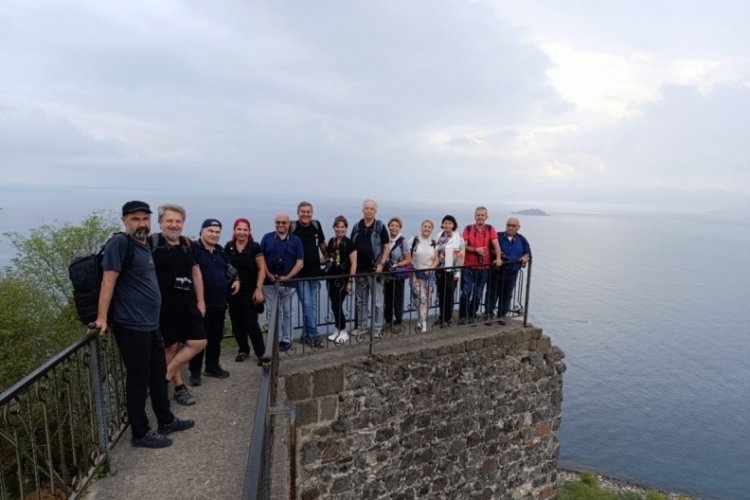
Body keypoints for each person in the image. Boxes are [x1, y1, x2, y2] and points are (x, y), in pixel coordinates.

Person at [94, 200, 194, 449]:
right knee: (138, 379)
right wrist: (102, 318)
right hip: (131, 324)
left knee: (158, 373)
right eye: (135, 219)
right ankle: (140, 432)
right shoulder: (121, 243)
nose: (141, 224)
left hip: (150, 324)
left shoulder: (143, 244)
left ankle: (166, 419)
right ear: (124, 220)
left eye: (144, 219)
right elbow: (109, 281)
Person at [150, 203, 206, 405]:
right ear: (160, 222)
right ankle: (179, 388)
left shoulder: (187, 244)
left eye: (178, 221)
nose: (174, 225)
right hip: (162, 307)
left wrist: (201, 301)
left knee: (198, 342)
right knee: (171, 348)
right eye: (169, 221)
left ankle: (161, 380)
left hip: (186, 302)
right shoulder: (151, 244)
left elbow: (196, 273)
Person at [188, 219, 239, 385]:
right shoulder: (194, 249)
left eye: (217, 232)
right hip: (200, 304)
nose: (214, 235)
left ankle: (212, 367)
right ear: (201, 231)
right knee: (198, 339)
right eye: (210, 231)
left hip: (219, 302)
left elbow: (229, 268)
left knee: (215, 337)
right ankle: (194, 372)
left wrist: (236, 279)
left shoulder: (220, 250)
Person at [225, 218, 266, 364]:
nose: (242, 232)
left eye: (245, 229)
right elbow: (226, 268)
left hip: (250, 290)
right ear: (234, 230)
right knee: (237, 323)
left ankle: (261, 353)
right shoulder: (229, 247)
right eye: (239, 229)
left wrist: (258, 288)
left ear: (249, 231)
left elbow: (262, 269)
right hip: (233, 291)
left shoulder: (254, 247)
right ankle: (243, 350)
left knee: (251, 323)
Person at [260, 213, 304, 352]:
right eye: (278, 222)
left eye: (283, 222)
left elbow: (300, 262)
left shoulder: (296, 240)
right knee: (272, 312)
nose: (280, 225)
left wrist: (288, 276)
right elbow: (261, 260)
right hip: (269, 283)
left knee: (288, 312)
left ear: (289, 224)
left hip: (289, 284)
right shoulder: (267, 238)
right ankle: (275, 339)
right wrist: (269, 274)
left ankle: (287, 339)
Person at [350, 199, 390, 339]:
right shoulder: (357, 227)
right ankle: (362, 327)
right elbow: (351, 248)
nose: (368, 211)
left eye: (371, 209)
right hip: (360, 270)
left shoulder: (380, 226)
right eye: (366, 208)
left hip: (375, 270)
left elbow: (386, 246)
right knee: (361, 301)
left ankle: (377, 329)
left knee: (378, 302)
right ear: (363, 210)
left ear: (375, 211)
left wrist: (382, 264)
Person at [290, 201, 326, 348]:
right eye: (302, 212)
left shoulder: (316, 226)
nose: (305, 214)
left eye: (308, 212)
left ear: (312, 213)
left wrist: (328, 258)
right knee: (308, 306)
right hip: (300, 275)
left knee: (309, 307)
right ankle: (315, 336)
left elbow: (322, 245)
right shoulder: (293, 228)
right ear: (298, 213)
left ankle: (305, 335)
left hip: (315, 274)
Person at [459, 206, 501, 324]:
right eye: (478, 215)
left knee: (478, 294)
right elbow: (463, 246)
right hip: (468, 267)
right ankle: (462, 316)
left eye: (482, 215)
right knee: (466, 293)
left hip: (484, 268)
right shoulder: (468, 229)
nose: (480, 217)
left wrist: (498, 258)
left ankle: (472, 316)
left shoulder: (490, 229)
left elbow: (496, 245)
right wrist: (475, 250)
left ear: (486, 217)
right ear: (475, 216)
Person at [487, 217, 531, 323]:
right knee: (492, 293)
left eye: (513, 226)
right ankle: (488, 315)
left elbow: (528, 252)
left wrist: (525, 257)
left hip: (512, 272)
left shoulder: (522, 239)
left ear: (518, 227)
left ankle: (502, 315)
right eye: (509, 225)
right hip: (497, 271)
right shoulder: (498, 236)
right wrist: (497, 254)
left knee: (507, 295)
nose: (510, 227)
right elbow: (489, 248)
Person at [324, 215, 357, 344]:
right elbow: (328, 258)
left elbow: (354, 263)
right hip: (332, 278)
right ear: (334, 227)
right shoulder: (332, 241)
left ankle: (343, 331)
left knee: (337, 303)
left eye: (342, 227)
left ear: (346, 228)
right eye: (337, 227)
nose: (339, 229)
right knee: (334, 304)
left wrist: (350, 281)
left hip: (343, 278)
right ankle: (337, 329)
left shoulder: (349, 243)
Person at [408, 220, 439, 332]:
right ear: (421, 227)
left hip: (429, 275)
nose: (427, 228)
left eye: (429, 227)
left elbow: (436, 260)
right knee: (420, 298)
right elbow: (408, 257)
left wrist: (431, 269)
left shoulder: (433, 242)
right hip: (415, 273)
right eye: (425, 226)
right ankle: (424, 322)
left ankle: (420, 320)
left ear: (431, 229)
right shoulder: (414, 240)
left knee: (425, 299)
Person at [434, 215, 464, 328]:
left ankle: (448, 318)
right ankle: (442, 317)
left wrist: (457, 272)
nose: (447, 225)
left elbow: (461, 256)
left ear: (453, 225)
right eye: (445, 223)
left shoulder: (458, 237)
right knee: (441, 294)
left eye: (449, 223)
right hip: (440, 269)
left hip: (451, 270)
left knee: (449, 295)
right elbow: (435, 252)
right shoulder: (438, 235)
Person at [383, 216, 411, 334]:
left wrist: (397, 265)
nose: (394, 228)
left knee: (398, 298)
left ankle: (398, 321)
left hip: (397, 274)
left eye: (396, 226)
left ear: (400, 228)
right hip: (386, 274)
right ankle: (388, 321)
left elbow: (408, 259)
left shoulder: (403, 242)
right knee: (387, 299)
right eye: (392, 225)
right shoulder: (385, 240)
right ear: (388, 227)